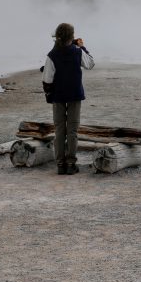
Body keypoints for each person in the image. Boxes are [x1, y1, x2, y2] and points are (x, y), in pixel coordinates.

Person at [42, 23, 95, 175]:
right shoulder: (77, 51)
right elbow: (90, 64)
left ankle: (60, 164)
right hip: (74, 94)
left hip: (58, 95)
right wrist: (82, 47)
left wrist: (49, 96)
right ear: (71, 36)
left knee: (59, 130)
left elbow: (47, 79)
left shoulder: (52, 54)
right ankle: (71, 164)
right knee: (72, 130)